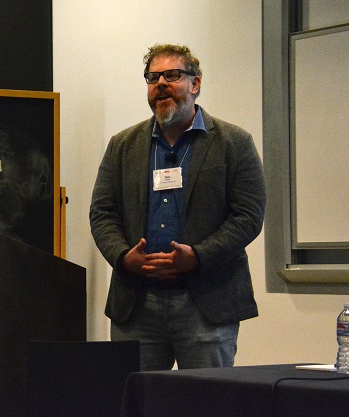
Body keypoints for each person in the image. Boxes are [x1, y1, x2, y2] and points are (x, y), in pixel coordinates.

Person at [89, 44, 266, 371]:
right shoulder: (122, 145)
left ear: (195, 84)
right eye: (153, 77)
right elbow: (102, 214)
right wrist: (123, 257)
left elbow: (249, 216)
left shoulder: (233, 142)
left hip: (206, 303)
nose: (161, 84)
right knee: (136, 402)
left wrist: (198, 256)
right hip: (137, 304)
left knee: (206, 404)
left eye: (172, 75)